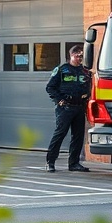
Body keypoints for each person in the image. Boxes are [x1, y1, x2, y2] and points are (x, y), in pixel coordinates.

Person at [44, 44, 92, 172]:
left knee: (78, 136)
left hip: (79, 107)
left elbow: (90, 88)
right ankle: (50, 162)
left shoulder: (85, 72)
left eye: (81, 56)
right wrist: (59, 100)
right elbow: (50, 87)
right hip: (65, 107)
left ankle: (74, 163)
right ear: (71, 55)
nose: (79, 58)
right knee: (60, 134)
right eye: (77, 56)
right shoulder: (62, 70)